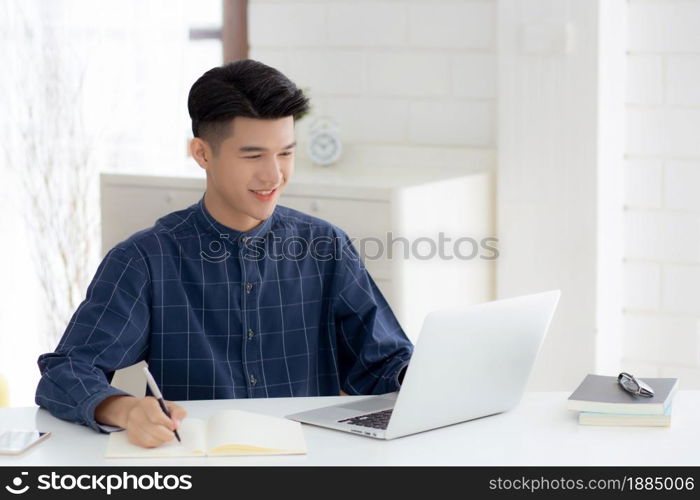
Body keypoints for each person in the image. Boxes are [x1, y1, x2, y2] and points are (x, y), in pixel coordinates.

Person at [35, 60, 413, 449]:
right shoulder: (145, 260)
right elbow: (66, 372)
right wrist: (125, 409)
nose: (274, 175)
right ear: (202, 154)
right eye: (253, 157)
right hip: (196, 467)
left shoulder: (327, 247)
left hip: (308, 463)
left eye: (285, 153)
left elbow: (384, 364)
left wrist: (438, 377)